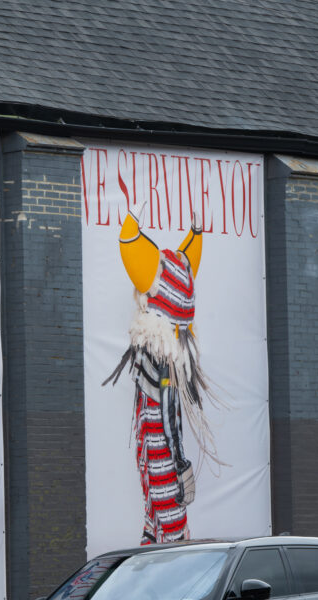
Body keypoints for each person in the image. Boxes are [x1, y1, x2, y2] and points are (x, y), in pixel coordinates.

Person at [103, 212, 216, 545]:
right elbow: (169, 415)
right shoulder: (164, 358)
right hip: (161, 453)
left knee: (155, 519)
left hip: (151, 447)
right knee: (170, 526)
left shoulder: (152, 354)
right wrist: (179, 461)